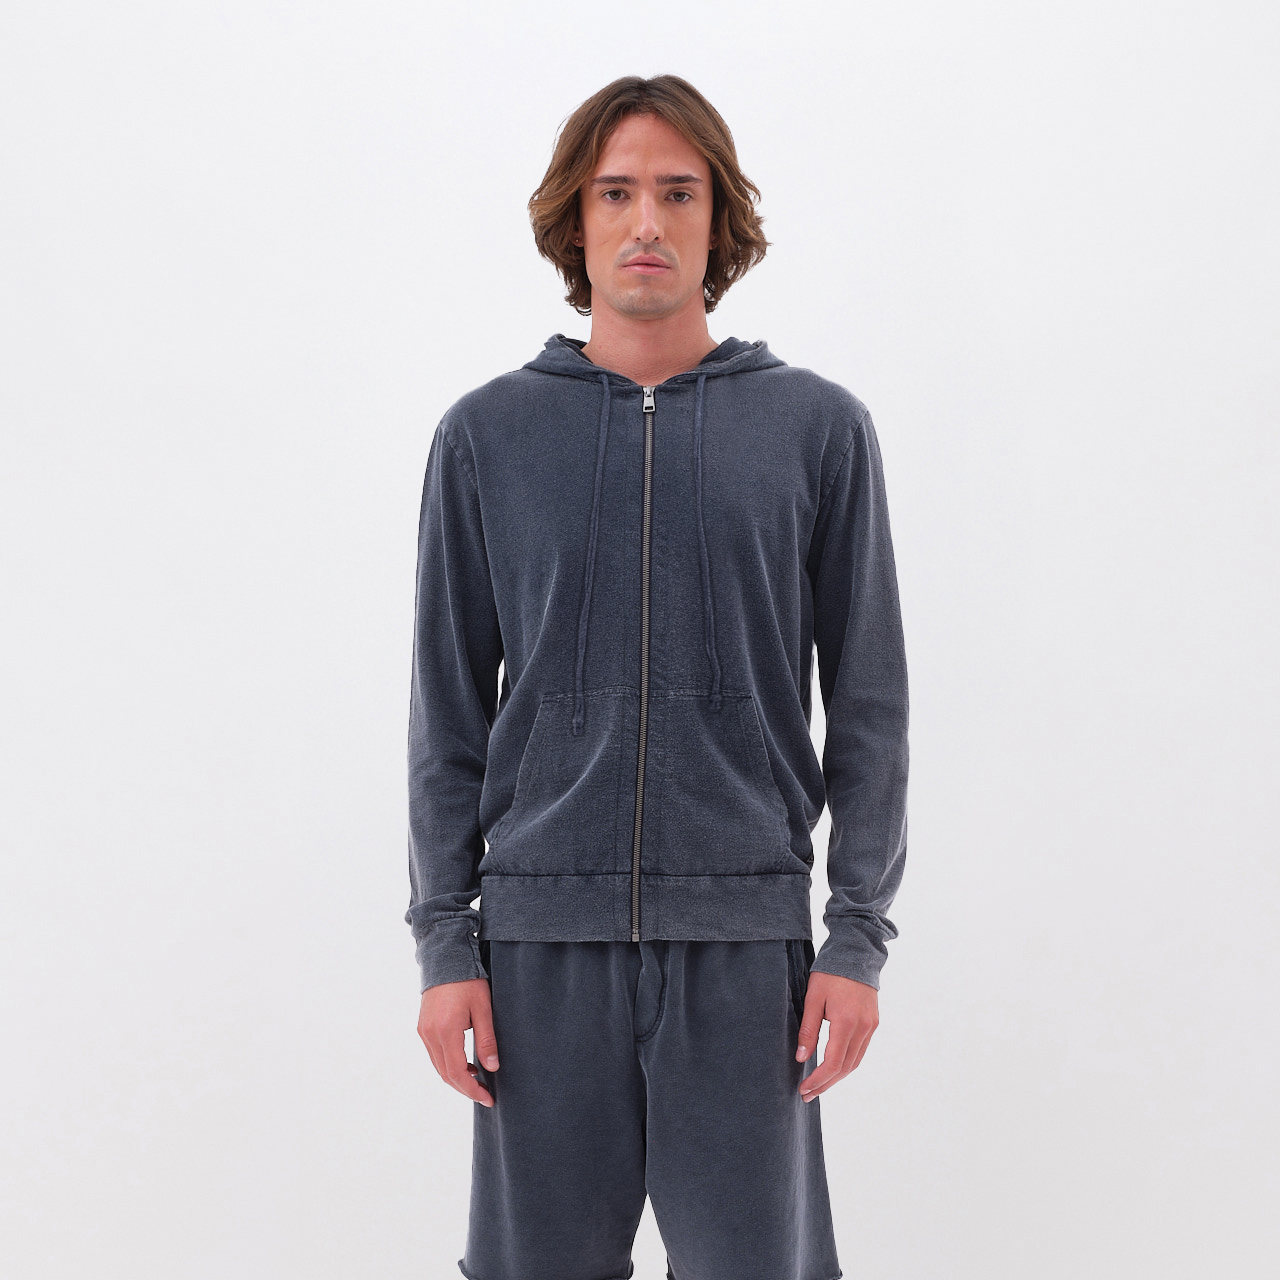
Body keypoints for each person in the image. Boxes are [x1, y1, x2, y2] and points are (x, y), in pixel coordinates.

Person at [406, 74, 909, 1280]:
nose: (645, 222)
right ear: (572, 221)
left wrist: (854, 937)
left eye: (678, 193)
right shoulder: (484, 435)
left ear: (717, 219)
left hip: (746, 952)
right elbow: (445, 716)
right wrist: (444, 943)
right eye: (615, 192)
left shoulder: (815, 429)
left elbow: (871, 707)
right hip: (537, 951)